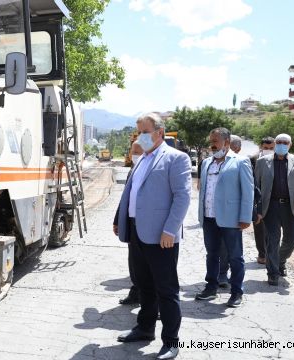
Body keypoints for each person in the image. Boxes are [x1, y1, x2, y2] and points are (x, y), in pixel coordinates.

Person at [114, 113, 191, 360]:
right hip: (138, 231)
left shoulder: (176, 158)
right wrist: (121, 220)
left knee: (166, 289)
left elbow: (182, 197)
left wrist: (170, 229)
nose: (140, 137)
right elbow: (131, 193)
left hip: (161, 236)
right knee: (144, 285)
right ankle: (145, 328)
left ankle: (171, 341)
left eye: (144, 132)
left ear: (160, 132)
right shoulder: (142, 159)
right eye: (138, 132)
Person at [195, 128, 253, 307]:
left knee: (235, 257)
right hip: (209, 217)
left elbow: (248, 192)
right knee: (211, 254)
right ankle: (211, 287)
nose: (212, 144)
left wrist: (245, 217)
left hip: (231, 219)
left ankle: (236, 292)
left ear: (227, 142)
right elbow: (203, 189)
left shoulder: (240, 162)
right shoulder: (206, 163)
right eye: (211, 140)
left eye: (216, 141)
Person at [255, 134, 294, 286]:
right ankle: (272, 272)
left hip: (292, 206)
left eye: (284, 142)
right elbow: (256, 187)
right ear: (274, 143)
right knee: (272, 240)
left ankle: (280, 261)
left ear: (290, 145)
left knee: (292, 239)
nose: (281, 144)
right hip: (270, 206)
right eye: (278, 142)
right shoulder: (262, 162)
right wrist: (257, 209)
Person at [113, 143, 144, 306]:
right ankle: (136, 292)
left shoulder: (151, 169)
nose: (134, 156)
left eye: (137, 152)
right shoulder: (133, 170)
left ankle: (157, 303)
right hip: (132, 223)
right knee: (134, 261)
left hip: (149, 224)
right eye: (132, 152)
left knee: (151, 266)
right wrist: (118, 220)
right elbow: (125, 198)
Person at [216, 134, 243, 288]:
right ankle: (221, 274)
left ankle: (236, 286)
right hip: (216, 215)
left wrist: (247, 216)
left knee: (234, 252)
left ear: (237, 148)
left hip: (234, 216)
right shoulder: (211, 162)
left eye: (228, 146)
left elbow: (251, 191)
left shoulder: (242, 162)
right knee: (220, 248)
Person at [253, 137, 275, 264]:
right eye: (266, 148)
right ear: (261, 147)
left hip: (273, 199)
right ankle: (262, 254)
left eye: (271, 148)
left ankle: (272, 254)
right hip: (258, 199)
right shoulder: (253, 159)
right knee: (259, 228)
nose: (268, 150)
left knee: (272, 229)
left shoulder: (278, 159)